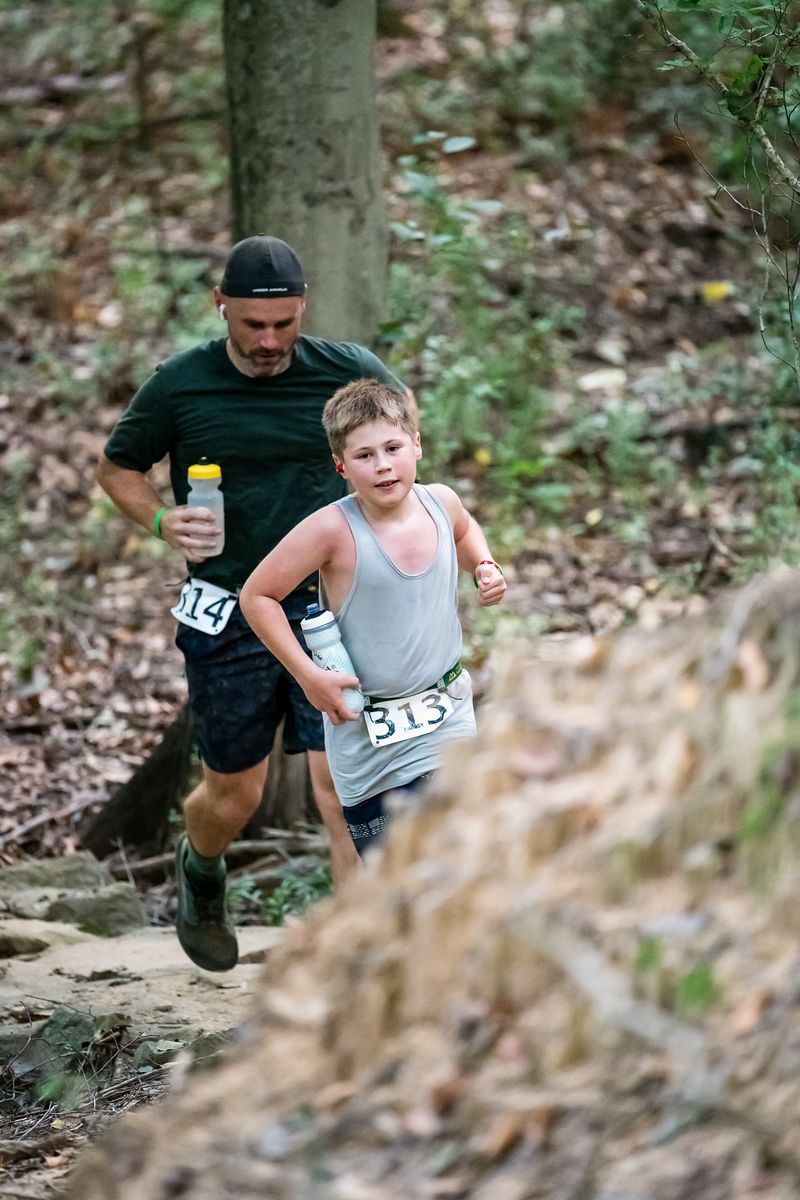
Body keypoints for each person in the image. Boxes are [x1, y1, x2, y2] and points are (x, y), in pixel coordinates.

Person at [96, 235, 410, 972]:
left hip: (329, 608)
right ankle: (200, 867)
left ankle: (354, 957)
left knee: (342, 785)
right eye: (252, 326)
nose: (269, 342)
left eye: (284, 325)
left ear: (302, 310)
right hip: (228, 608)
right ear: (222, 308)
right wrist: (161, 520)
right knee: (235, 793)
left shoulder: (349, 373)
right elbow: (118, 469)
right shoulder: (181, 385)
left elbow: (398, 442)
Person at [239, 379, 507, 857]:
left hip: (445, 712)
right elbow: (258, 595)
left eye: (393, 448)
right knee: (394, 885)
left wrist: (484, 566)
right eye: (364, 456)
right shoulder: (331, 530)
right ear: (340, 465)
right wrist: (309, 677)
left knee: (458, 862)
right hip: (367, 735)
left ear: (417, 445)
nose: (383, 465)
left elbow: (466, 530)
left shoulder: (440, 502)